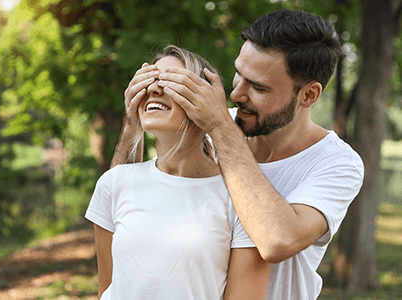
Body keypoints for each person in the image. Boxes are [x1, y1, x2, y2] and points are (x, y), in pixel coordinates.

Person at [111, 9, 364, 300]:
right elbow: (127, 197)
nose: (236, 94)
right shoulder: (208, 124)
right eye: (239, 74)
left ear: (308, 95)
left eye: (257, 87)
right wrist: (132, 127)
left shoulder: (336, 163)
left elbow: (276, 241)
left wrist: (220, 127)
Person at [86, 45, 270, 300]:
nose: (152, 89)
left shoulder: (241, 199)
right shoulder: (113, 183)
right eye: (149, 80)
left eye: (170, 81)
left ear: (204, 101)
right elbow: (106, 290)